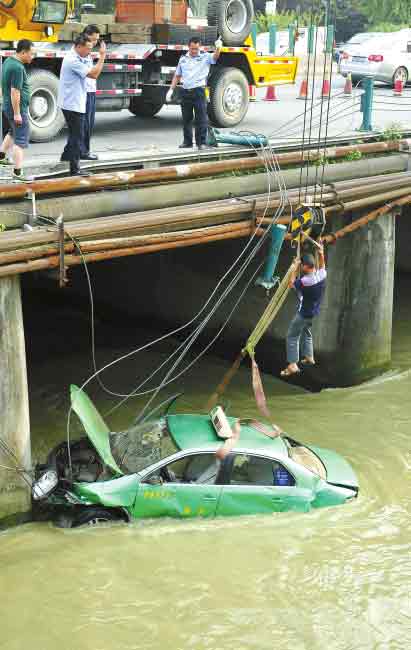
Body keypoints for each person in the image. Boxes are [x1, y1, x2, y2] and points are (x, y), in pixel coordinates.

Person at [58, 34, 106, 176]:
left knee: (75, 133)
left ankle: (67, 156)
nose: (89, 52)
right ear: (78, 46)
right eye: (87, 49)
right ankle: (75, 169)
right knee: (77, 135)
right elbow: (94, 74)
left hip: (75, 101)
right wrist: (102, 56)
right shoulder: (72, 60)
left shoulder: (81, 56)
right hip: (72, 103)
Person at [166, 37, 222, 150]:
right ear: (188, 47)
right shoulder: (183, 59)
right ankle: (187, 142)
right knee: (186, 119)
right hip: (185, 91)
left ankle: (201, 143)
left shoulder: (205, 57)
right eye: (192, 49)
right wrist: (171, 90)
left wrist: (218, 48)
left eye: (196, 49)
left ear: (199, 47)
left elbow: (215, 57)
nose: (194, 51)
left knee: (201, 118)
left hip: (199, 91)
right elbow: (177, 75)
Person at [281, 245, 327, 378]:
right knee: (306, 331)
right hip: (314, 312)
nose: (301, 268)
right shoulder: (322, 274)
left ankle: (292, 364)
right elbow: (323, 265)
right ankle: (309, 356)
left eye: (302, 266)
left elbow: (291, 284)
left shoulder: (305, 281)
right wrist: (321, 253)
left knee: (292, 335)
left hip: (304, 313)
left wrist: (294, 268)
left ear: (307, 266)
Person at [0, 39, 35, 180]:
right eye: (31, 54)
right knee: (20, 140)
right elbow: (15, 91)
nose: (32, 57)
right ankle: (17, 173)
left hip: (8, 105)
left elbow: (4, 84)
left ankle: (1, 157)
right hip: (16, 109)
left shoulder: (8, 61)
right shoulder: (18, 68)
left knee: (12, 132)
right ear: (23, 52)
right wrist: (17, 114)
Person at [80, 24, 101, 160]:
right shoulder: (81, 53)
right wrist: (103, 56)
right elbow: (93, 74)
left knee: (89, 123)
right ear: (86, 36)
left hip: (91, 90)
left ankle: (85, 150)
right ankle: (83, 152)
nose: (94, 43)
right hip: (84, 91)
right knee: (85, 124)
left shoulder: (88, 53)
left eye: (96, 40)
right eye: (93, 39)